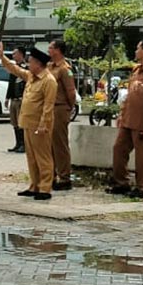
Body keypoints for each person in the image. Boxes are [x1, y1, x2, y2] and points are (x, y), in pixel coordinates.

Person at [0, 42, 57, 200]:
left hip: (40, 126)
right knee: (31, 157)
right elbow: (15, 69)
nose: (28, 64)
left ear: (38, 63)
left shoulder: (49, 81)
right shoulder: (31, 76)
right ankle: (34, 185)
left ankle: (45, 188)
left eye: (30, 61)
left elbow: (48, 106)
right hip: (28, 124)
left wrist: (44, 125)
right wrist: (3, 58)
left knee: (43, 157)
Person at [107, 38, 143, 199]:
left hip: (142, 121)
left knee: (142, 155)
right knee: (118, 148)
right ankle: (121, 182)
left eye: (138, 48)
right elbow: (129, 96)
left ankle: (142, 187)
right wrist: (122, 114)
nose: (136, 52)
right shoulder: (136, 70)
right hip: (128, 118)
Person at [47, 39, 78, 190]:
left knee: (60, 144)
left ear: (58, 50)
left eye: (51, 47)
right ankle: (50, 175)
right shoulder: (49, 66)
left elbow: (71, 92)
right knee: (49, 144)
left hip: (60, 108)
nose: (48, 50)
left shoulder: (65, 69)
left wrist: (68, 108)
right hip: (49, 108)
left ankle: (64, 177)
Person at [5, 46, 27, 153]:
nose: (13, 56)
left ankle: (23, 144)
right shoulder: (14, 68)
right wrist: (7, 98)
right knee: (14, 122)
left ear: (21, 54)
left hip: (21, 99)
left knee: (21, 123)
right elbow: (11, 84)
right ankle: (18, 144)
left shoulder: (26, 68)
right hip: (14, 99)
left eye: (15, 54)